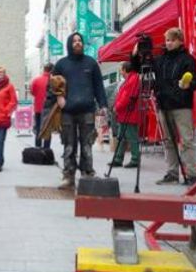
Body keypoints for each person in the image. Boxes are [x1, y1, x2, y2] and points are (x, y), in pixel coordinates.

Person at [45, 33, 108, 190]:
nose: (78, 43)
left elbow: (99, 86)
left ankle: (87, 174)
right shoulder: (61, 64)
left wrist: (103, 104)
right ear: (69, 44)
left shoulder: (91, 63)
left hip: (87, 110)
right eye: (74, 41)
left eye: (80, 41)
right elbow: (51, 86)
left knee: (87, 144)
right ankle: (68, 176)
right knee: (69, 145)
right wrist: (58, 97)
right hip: (67, 111)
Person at [153, 27, 196, 186]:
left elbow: (194, 83)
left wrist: (187, 85)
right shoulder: (160, 60)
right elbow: (141, 66)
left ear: (180, 41)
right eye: (167, 40)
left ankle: (192, 173)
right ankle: (172, 173)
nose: (169, 43)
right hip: (164, 105)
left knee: (186, 140)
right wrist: (137, 53)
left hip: (181, 105)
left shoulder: (188, 59)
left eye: (172, 40)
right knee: (168, 141)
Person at [110, 61, 141, 168]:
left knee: (131, 137)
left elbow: (126, 97)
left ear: (124, 70)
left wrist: (117, 106)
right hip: (125, 113)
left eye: (121, 69)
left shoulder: (132, 79)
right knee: (121, 137)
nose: (120, 72)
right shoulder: (131, 79)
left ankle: (135, 159)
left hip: (129, 113)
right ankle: (118, 158)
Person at [29, 63, 53, 148]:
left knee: (38, 127)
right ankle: (46, 148)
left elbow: (32, 92)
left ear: (44, 69)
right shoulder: (53, 81)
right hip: (50, 109)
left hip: (38, 107)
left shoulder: (36, 80)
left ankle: (38, 145)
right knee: (47, 128)